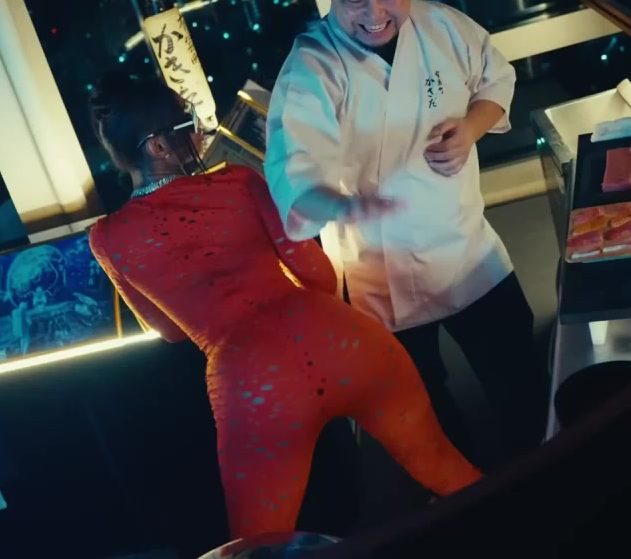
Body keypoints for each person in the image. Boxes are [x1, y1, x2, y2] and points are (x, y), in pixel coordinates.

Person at [84, 73, 481, 542]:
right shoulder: (239, 181)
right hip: (344, 341)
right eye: (187, 125)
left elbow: (169, 332)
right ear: (157, 146)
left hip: (254, 382)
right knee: (445, 468)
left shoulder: (108, 238)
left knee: (258, 541)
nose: (199, 133)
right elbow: (319, 276)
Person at [263, 0, 545, 469]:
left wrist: (471, 127)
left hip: (468, 251)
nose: (373, 13)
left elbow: (497, 79)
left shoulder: (443, 26)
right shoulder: (313, 67)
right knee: (425, 418)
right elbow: (296, 169)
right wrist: (343, 203)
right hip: (379, 278)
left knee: (525, 387)